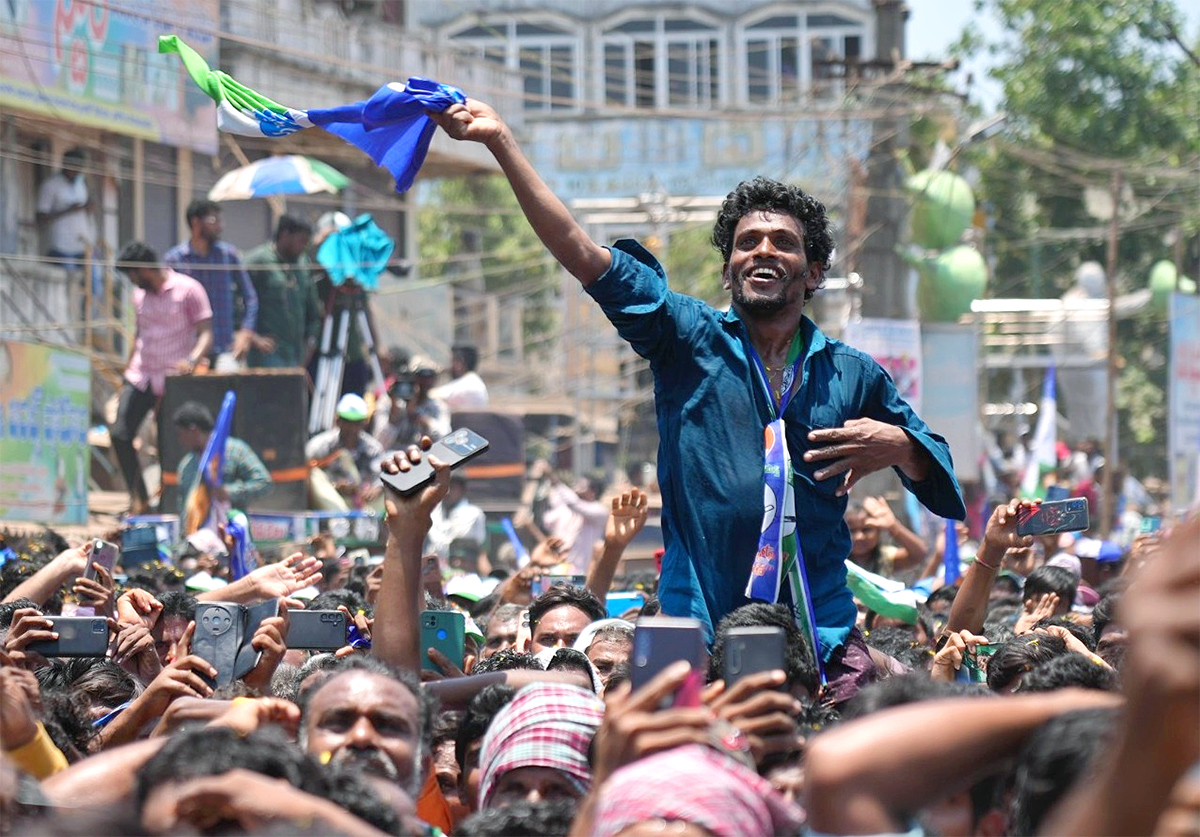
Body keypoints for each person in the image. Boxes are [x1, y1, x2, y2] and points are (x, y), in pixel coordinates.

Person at [432, 98, 964, 701]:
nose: (763, 250)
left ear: (813, 273)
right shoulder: (686, 339)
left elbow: (943, 479)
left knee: (843, 754)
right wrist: (502, 141)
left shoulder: (854, 374)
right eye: (748, 242)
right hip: (694, 630)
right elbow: (582, 253)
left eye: (783, 243)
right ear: (728, 270)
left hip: (820, 636)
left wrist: (900, 445)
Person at [110, 242, 213, 515]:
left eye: (133, 274)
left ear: (144, 267)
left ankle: (171, 504)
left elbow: (206, 332)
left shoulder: (188, 289)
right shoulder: (139, 296)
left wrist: (192, 361)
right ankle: (139, 500)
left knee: (170, 443)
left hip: (173, 379)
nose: (132, 281)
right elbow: (139, 334)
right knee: (120, 433)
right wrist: (125, 374)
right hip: (141, 374)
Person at [165, 198, 260, 369]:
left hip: (225, 348)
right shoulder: (175, 259)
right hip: (188, 352)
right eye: (214, 220)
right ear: (196, 222)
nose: (220, 226)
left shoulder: (228, 255)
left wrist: (246, 332)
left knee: (230, 388)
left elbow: (250, 297)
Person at [243, 214, 321, 368]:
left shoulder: (303, 262)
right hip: (267, 353)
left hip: (297, 354)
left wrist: (311, 341)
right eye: (301, 241)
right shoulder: (257, 261)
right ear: (285, 235)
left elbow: (313, 309)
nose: (304, 247)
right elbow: (237, 302)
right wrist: (253, 337)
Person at [172, 401, 272, 517]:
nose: (180, 440)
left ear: (193, 430)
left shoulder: (236, 451)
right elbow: (183, 507)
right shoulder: (186, 465)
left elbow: (264, 483)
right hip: (198, 533)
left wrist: (228, 492)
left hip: (231, 530)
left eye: (181, 434)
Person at [306, 394, 385, 511]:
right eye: (347, 422)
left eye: (357, 423)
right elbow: (305, 473)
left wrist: (376, 488)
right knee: (312, 474)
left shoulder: (373, 449)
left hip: (363, 503)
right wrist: (334, 486)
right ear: (337, 420)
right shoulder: (319, 446)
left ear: (364, 423)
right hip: (329, 503)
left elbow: (381, 476)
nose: (352, 428)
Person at [373, 357, 451, 450]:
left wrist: (418, 415)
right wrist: (394, 412)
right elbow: (379, 444)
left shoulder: (437, 406)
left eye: (429, 378)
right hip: (392, 457)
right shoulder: (387, 403)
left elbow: (445, 438)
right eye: (419, 377)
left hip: (422, 456)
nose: (423, 383)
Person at [36, 147, 93, 265]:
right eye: (75, 168)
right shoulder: (51, 185)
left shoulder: (81, 183)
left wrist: (87, 208)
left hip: (82, 243)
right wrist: (68, 210)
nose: (78, 172)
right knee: (69, 280)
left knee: (94, 278)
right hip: (61, 246)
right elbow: (40, 217)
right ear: (66, 165)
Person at [425, 476, 487, 565]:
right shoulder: (433, 512)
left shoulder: (472, 513)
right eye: (444, 487)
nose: (447, 492)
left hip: (461, 568)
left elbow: (452, 544)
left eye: (452, 488)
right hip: (433, 568)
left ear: (462, 490)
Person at [430, 344, 489, 411]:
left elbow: (431, 397)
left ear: (459, 364)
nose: (450, 366)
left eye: (452, 361)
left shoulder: (468, 384)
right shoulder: (474, 381)